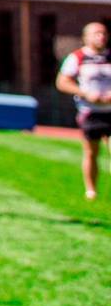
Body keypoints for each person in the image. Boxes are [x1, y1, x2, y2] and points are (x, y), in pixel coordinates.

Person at [56, 21, 111, 201]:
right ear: (85, 37)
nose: (101, 36)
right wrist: (85, 93)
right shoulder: (77, 57)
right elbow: (62, 82)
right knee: (91, 152)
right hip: (90, 111)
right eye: (96, 33)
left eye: (103, 33)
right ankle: (91, 190)